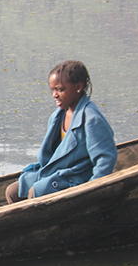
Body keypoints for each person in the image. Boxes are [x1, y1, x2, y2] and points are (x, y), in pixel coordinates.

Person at [6, 61, 117, 203]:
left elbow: (106, 159)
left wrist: (91, 191)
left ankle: (42, 224)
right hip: (56, 172)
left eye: (61, 89)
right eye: (52, 90)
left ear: (78, 87)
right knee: (12, 191)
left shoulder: (91, 119)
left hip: (77, 177)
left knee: (35, 193)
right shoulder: (57, 116)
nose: (55, 95)